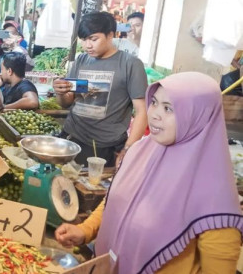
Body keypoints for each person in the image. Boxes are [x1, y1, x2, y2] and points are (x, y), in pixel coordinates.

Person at [55, 72, 243, 274]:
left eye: (168, 108)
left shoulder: (215, 197)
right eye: (154, 102)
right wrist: (84, 230)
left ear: (197, 117)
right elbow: (116, 199)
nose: (154, 114)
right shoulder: (140, 151)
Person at [53, 12, 148, 167]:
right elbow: (66, 103)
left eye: (93, 39)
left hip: (104, 147)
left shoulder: (130, 64)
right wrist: (61, 92)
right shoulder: (81, 60)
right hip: (72, 137)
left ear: (110, 35)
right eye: (84, 40)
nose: (87, 45)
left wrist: (128, 148)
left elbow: (142, 111)